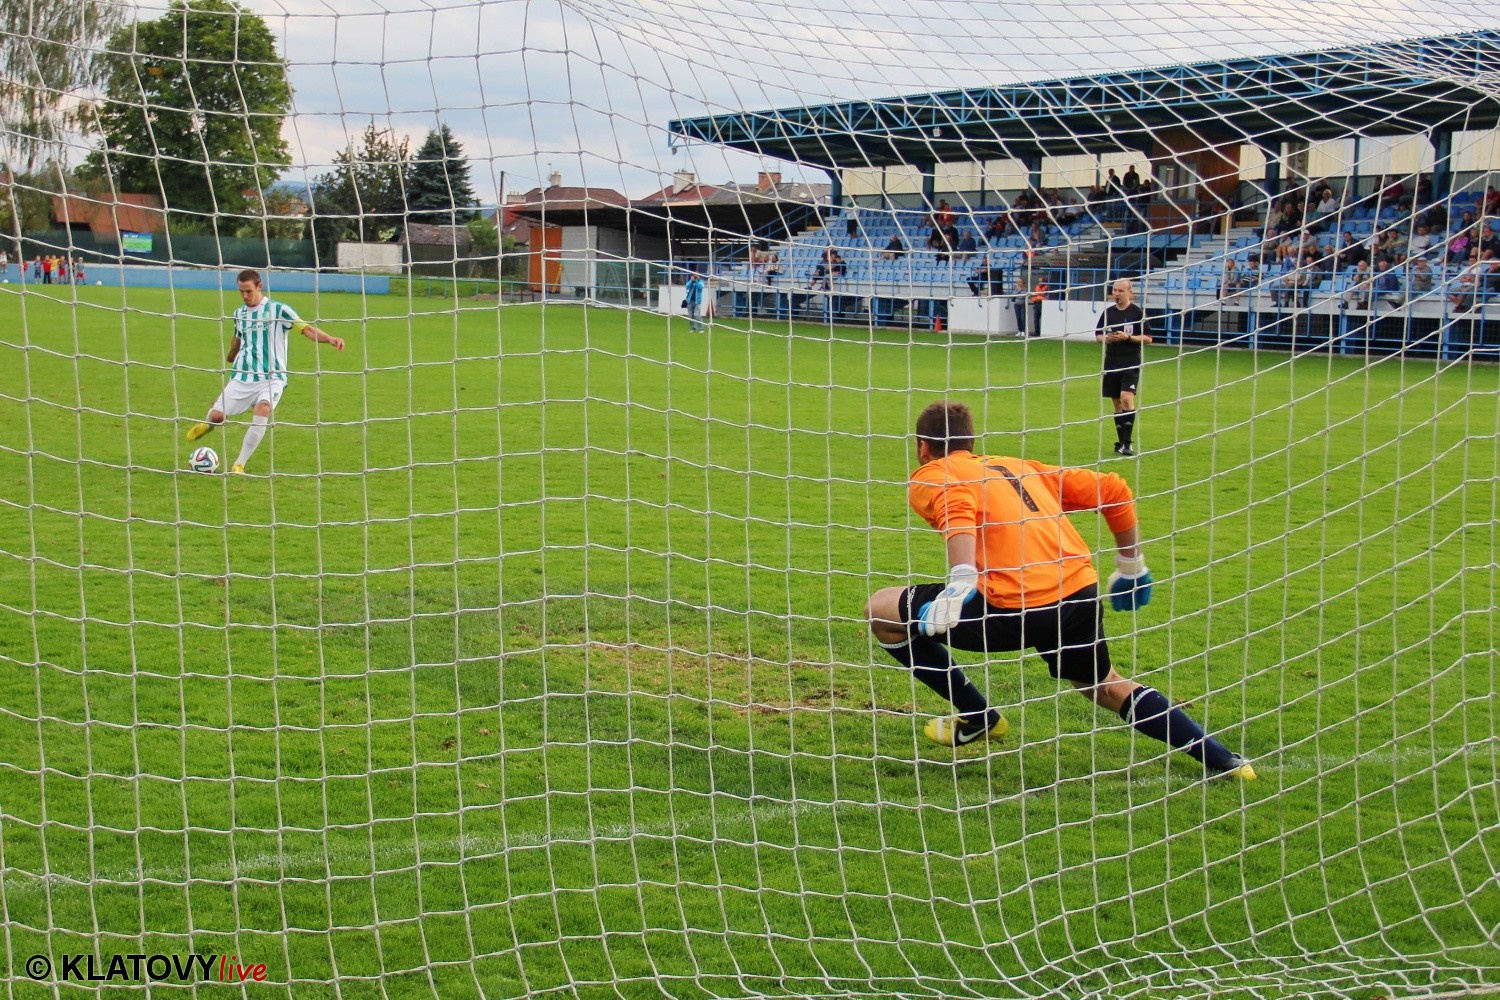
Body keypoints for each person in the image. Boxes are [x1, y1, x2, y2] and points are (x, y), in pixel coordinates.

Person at [863, 401, 1256, 778]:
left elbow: (956, 503)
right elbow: (1113, 488)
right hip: (1079, 594)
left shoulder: (932, 473)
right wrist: (1131, 566)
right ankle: (1225, 760)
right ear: (971, 441)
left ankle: (979, 716)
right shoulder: (1019, 467)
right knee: (1103, 686)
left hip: (1013, 607)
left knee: (880, 611)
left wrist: (960, 582)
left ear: (923, 447)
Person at [185, 269, 345, 474]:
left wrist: (330, 339)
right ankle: (209, 425)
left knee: (263, 408)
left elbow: (306, 329)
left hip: (272, 377)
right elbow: (237, 338)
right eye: (241, 291)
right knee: (217, 416)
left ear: (259, 287)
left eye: (248, 291)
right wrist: (231, 355)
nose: (245, 296)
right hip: (243, 376)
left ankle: (239, 464)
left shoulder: (279, 310)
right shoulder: (239, 313)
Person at [1096, 278, 1150, 456]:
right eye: (1115, 290)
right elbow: (1098, 335)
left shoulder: (1137, 312)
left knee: (1126, 398)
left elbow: (1148, 338)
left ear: (1129, 292)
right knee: (1117, 403)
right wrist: (1107, 338)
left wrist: (1128, 338)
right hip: (1111, 362)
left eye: (1121, 291)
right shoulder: (1108, 313)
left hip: (1131, 362)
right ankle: (1121, 442)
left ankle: (1128, 443)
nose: (1117, 294)